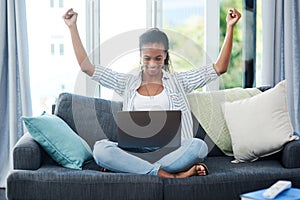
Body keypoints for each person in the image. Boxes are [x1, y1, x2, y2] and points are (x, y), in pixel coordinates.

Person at [63, 8, 241, 178]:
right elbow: (87, 68)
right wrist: (72, 27)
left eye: (158, 58)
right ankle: (167, 174)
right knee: (101, 149)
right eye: (147, 58)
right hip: (135, 152)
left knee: (198, 147)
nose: (153, 64)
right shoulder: (127, 83)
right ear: (140, 56)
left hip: (171, 153)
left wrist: (231, 26)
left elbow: (219, 67)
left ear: (165, 56)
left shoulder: (179, 81)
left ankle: (131, 168)